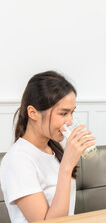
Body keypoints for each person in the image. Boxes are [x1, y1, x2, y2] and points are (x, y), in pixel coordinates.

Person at [0, 71, 95, 222]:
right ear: (33, 113)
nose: (70, 121)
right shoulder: (18, 160)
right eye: (63, 113)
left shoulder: (52, 149)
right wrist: (65, 168)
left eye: (72, 112)